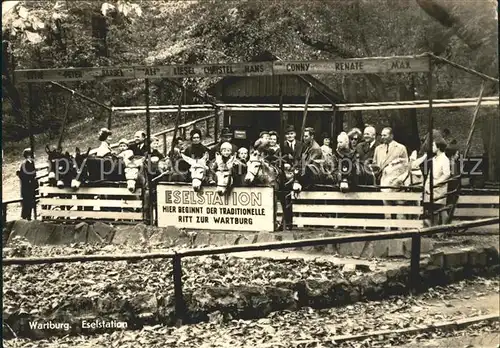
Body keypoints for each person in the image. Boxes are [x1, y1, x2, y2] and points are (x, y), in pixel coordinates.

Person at [372, 127, 409, 227]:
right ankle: (387, 230)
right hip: (383, 183)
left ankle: (401, 231)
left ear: (391, 136)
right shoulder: (378, 149)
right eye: (382, 135)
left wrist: (400, 179)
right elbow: (375, 164)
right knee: (386, 207)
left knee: (399, 207)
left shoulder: (401, 148)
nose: (382, 137)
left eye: (385, 135)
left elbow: (406, 165)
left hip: (397, 184)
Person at [424, 138, 451, 226]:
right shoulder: (434, 159)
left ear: (438, 147)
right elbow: (429, 174)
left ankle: (444, 230)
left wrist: (436, 183)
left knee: (441, 209)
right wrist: (427, 186)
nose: (431, 147)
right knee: (433, 210)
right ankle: (434, 229)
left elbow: (447, 174)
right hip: (431, 188)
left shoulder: (444, 159)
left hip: (440, 188)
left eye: (433, 145)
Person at [16, 148, 38, 220]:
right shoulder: (25, 164)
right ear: (28, 155)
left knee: (30, 203)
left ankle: (28, 217)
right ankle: (25, 218)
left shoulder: (31, 163)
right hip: (27, 187)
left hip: (30, 187)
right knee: (27, 203)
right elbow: (24, 176)